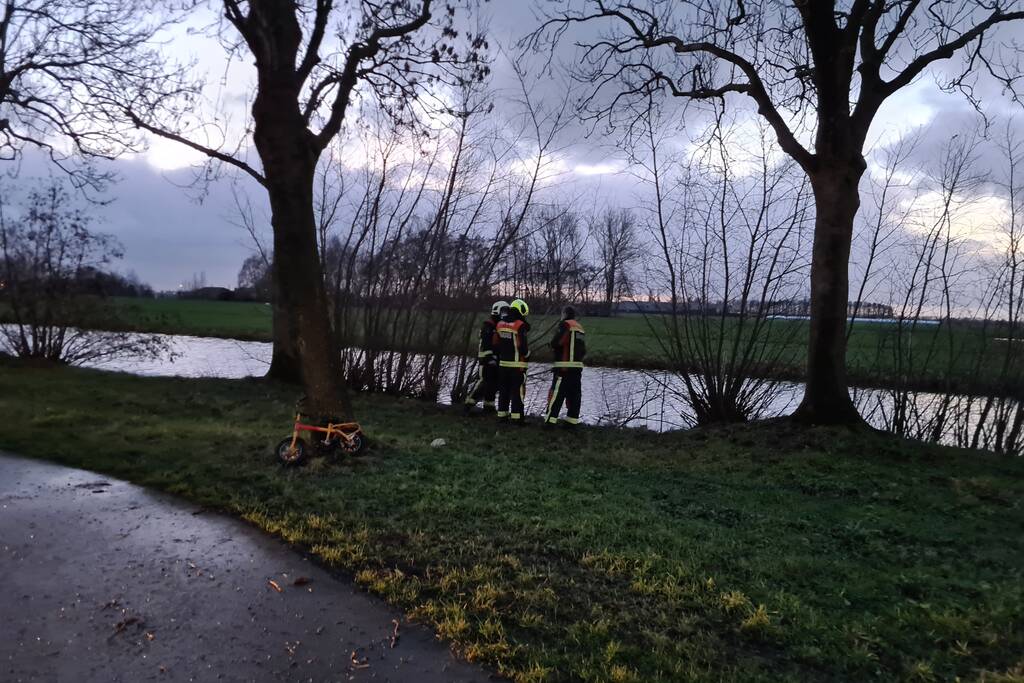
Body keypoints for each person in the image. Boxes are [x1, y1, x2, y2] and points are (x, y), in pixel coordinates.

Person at [544, 305, 586, 427]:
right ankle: (572, 421)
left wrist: (552, 345)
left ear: (565, 314)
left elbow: (558, 342)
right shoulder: (580, 328)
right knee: (574, 395)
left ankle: (550, 421)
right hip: (577, 367)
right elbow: (583, 349)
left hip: (564, 367)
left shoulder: (565, 325)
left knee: (556, 395)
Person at [464, 300, 507, 414]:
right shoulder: (488, 326)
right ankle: (469, 403)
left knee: (494, 383)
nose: (505, 315)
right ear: (497, 311)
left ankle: (489, 406)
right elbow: (486, 344)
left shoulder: (498, 326)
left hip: (496, 359)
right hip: (486, 359)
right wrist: (490, 357)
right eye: (503, 312)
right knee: (484, 382)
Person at [494, 298, 530, 423]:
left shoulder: (500, 324)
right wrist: (528, 354)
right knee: (517, 392)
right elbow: (523, 348)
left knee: (503, 391)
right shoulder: (520, 325)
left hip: (503, 364)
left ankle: (502, 416)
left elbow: (495, 344)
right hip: (517, 365)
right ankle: (517, 418)